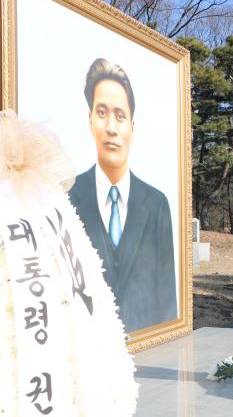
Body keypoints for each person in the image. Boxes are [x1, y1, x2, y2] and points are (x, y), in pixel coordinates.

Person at [69, 58, 177, 332]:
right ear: (89, 120)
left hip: (146, 352)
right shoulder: (65, 197)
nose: (111, 128)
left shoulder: (156, 204)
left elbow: (167, 298)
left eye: (120, 116)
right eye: (102, 112)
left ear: (132, 127)